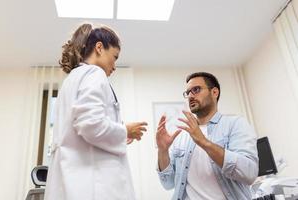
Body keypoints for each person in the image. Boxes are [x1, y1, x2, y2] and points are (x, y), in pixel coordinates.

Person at [44, 23, 147, 200]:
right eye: (114, 57)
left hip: (76, 181)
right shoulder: (94, 73)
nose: (114, 66)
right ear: (99, 47)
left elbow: (81, 126)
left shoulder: (73, 79)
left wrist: (118, 131)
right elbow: (91, 124)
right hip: (94, 186)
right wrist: (124, 130)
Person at [156, 72, 258, 200]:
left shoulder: (235, 124)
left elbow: (249, 173)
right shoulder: (182, 134)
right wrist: (163, 150)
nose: (190, 96)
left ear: (214, 92)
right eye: (188, 93)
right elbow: (168, 183)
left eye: (196, 90)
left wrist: (204, 142)